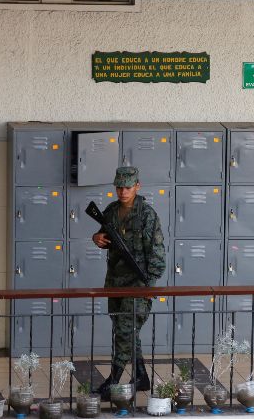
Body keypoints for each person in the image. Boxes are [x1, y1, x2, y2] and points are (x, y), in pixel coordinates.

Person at [92, 167, 166, 400]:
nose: (123, 192)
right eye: (119, 187)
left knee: (125, 331)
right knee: (124, 329)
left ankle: (113, 380)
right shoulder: (111, 211)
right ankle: (141, 376)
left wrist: (149, 286)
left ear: (137, 186)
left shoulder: (147, 215)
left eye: (127, 187)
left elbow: (158, 255)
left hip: (139, 285)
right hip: (115, 282)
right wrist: (96, 238)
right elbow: (103, 236)